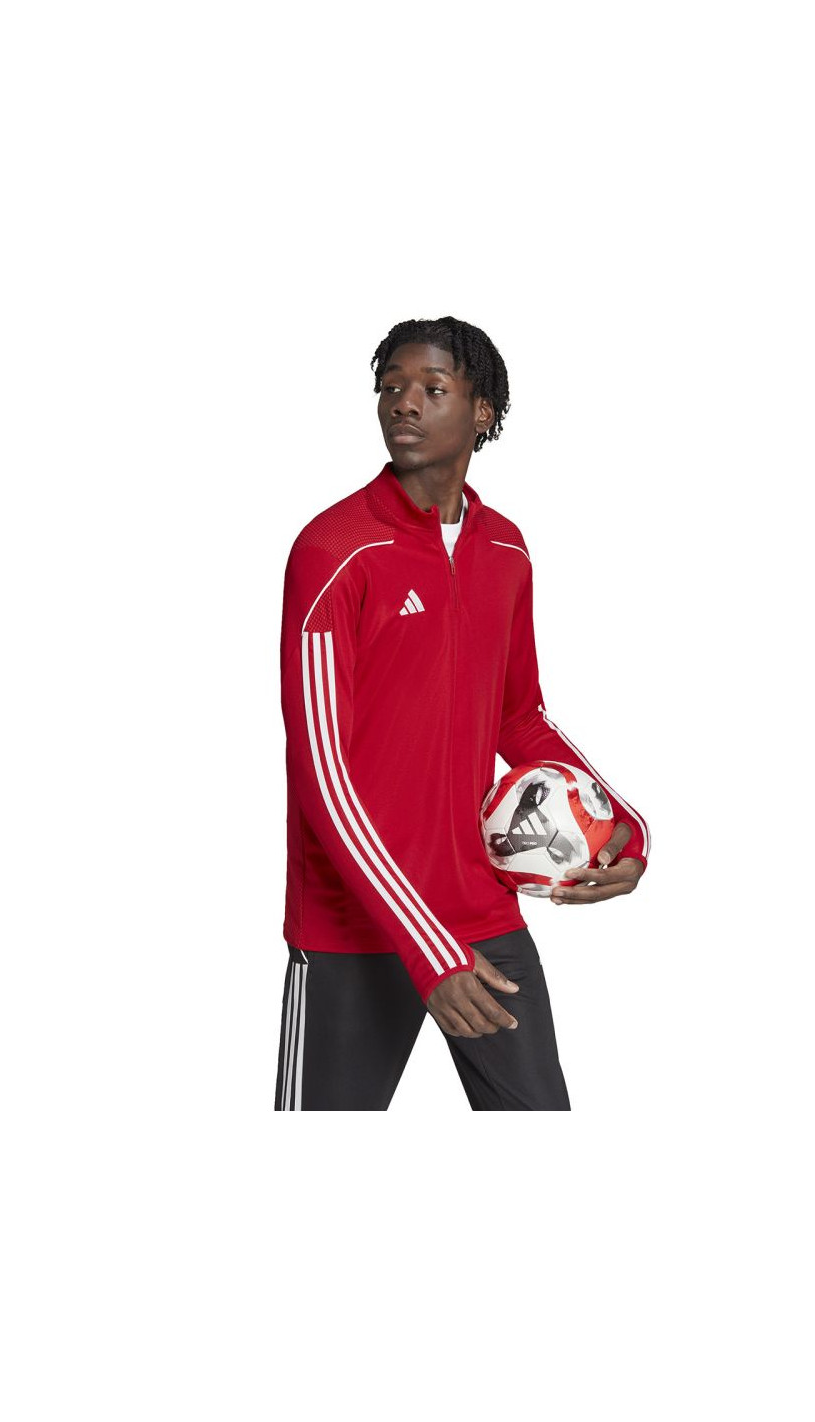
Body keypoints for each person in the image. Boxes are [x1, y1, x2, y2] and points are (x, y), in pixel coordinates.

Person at [275, 317, 649, 1110]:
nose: (403, 403)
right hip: (354, 930)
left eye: (431, 388)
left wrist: (623, 825)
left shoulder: (505, 551)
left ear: (483, 411)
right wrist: (425, 948)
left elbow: (521, 717)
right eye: (390, 387)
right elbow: (321, 775)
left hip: (479, 913)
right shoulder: (333, 550)